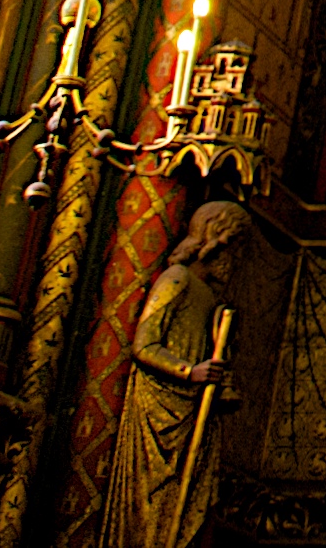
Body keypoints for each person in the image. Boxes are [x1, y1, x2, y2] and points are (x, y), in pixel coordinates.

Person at [96, 201, 250, 548]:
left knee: (190, 501)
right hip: (161, 409)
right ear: (218, 240)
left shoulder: (210, 298)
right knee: (154, 500)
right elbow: (145, 345)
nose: (237, 261)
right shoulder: (177, 279)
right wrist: (188, 372)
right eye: (236, 248)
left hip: (192, 411)